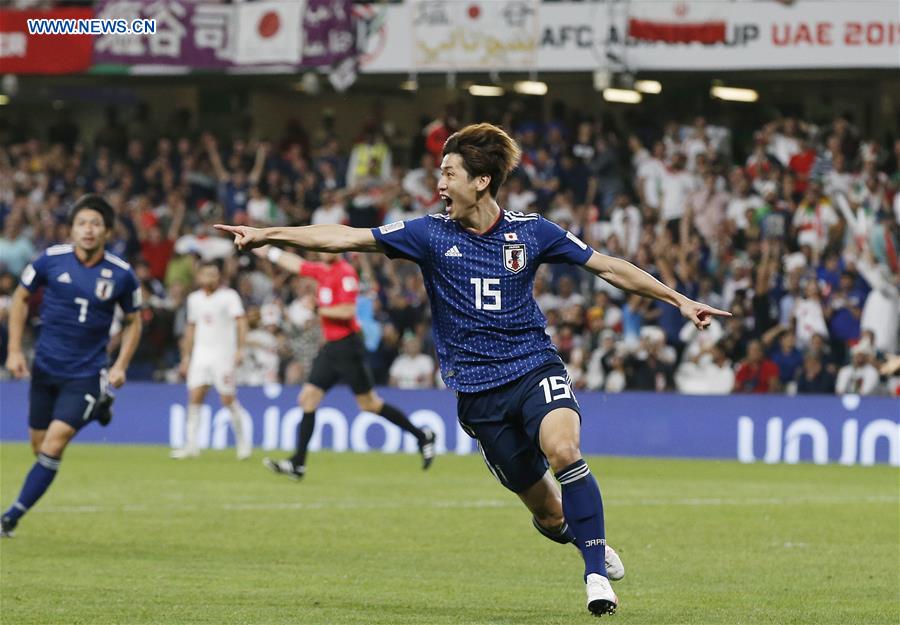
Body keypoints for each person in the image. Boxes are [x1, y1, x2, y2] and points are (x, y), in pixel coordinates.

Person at [217, 123, 731, 616]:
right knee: (549, 515)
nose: (439, 184)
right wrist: (270, 234)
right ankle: (585, 537)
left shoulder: (533, 233)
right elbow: (345, 237)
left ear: (481, 181)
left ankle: (595, 575)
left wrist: (679, 299)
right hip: (478, 394)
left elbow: (608, 266)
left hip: (533, 366)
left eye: (449, 173)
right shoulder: (428, 235)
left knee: (564, 449)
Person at [2, 194, 143, 537]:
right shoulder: (50, 260)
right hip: (45, 369)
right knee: (38, 447)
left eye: (96, 224)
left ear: (107, 231)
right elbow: (20, 299)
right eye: (82, 223)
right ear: (72, 229)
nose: (88, 230)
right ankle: (98, 408)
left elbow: (134, 321)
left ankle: (10, 517)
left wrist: (120, 365)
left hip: (86, 372)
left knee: (53, 444)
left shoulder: (122, 274)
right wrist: (15, 351)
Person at [253, 246, 436, 479]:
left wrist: (319, 309)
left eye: (328, 247)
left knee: (370, 404)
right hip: (331, 348)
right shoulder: (322, 271)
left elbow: (348, 310)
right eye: (320, 248)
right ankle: (298, 464)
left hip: (348, 346)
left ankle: (422, 436)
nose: (323, 251)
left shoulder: (346, 273)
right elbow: (296, 264)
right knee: (307, 399)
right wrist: (269, 251)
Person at [172, 260, 252, 460]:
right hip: (201, 355)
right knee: (195, 397)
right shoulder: (194, 299)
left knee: (227, 399)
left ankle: (243, 444)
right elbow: (191, 329)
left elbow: (241, 323)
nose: (209, 278)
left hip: (223, 355)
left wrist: (240, 349)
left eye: (213, 274)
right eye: (205, 274)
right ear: (198, 277)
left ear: (219, 277)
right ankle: (191, 446)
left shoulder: (229, 296)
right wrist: (186, 356)